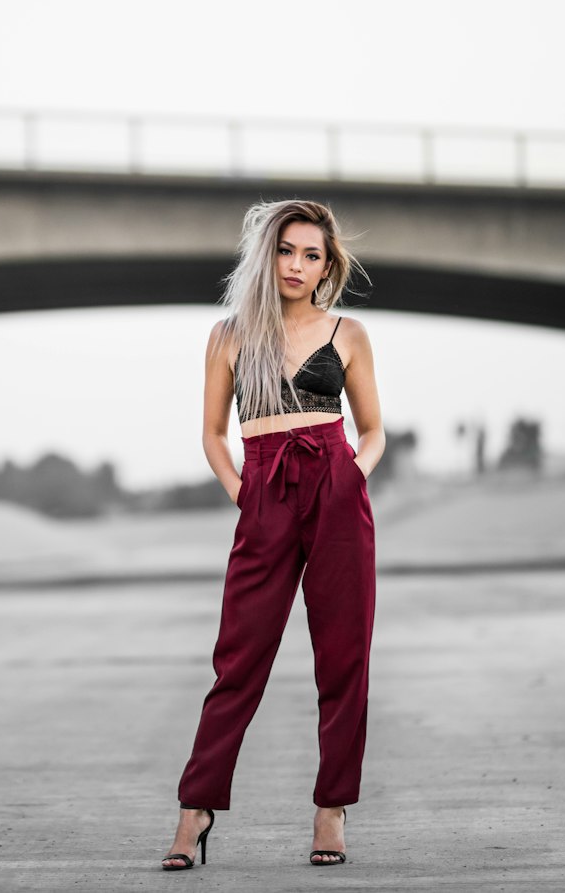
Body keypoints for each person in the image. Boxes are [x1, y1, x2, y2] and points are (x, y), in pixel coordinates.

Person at [161, 198, 383, 871]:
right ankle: (196, 808)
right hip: (264, 490)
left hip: (335, 491)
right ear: (269, 253)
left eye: (311, 254)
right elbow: (210, 432)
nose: (297, 264)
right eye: (287, 249)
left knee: (343, 655)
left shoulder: (347, 332)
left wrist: (352, 476)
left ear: (326, 266)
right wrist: (242, 491)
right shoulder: (229, 335)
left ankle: (331, 808)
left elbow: (374, 429)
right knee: (239, 656)